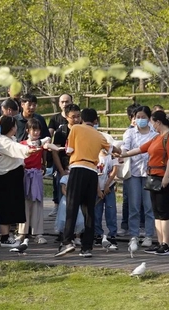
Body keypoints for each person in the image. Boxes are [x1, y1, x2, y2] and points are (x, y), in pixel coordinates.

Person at [55, 108, 119, 258]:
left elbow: (69, 150)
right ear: (95, 121)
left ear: (81, 119)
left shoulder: (76, 128)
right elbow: (114, 149)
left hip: (77, 169)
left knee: (72, 206)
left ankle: (67, 242)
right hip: (92, 172)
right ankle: (86, 248)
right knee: (89, 210)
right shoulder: (99, 135)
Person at [0, 116, 54, 247]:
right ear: (12, 127)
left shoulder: (11, 139)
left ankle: (9, 234)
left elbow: (19, 149)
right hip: (6, 177)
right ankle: (5, 237)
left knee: (14, 206)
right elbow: (18, 149)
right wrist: (30, 149)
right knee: (6, 207)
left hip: (15, 175)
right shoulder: (2, 141)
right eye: (15, 125)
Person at [120, 111, 169, 256]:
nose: (152, 125)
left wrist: (166, 176)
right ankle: (160, 242)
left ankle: (166, 244)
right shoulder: (157, 137)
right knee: (157, 211)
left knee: (164, 211)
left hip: (162, 176)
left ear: (158, 122)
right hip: (152, 176)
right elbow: (140, 149)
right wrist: (122, 153)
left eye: (153, 122)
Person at [122, 106, 157, 249]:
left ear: (149, 118)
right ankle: (134, 235)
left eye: (143, 117)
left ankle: (149, 235)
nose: (140, 120)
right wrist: (123, 153)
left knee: (149, 206)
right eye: (138, 117)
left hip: (150, 173)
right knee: (134, 206)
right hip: (134, 173)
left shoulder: (155, 134)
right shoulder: (130, 132)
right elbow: (125, 148)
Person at [51, 104, 81, 217]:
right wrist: (61, 170)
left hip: (80, 169)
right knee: (63, 198)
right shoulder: (61, 132)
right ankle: (63, 228)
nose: (77, 119)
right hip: (64, 169)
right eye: (73, 117)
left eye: (78, 116)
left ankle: (79, 230)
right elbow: (55, 152)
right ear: (67, 117)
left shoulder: (84, 130)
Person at [118, 103, 141, 236]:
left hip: (141, 170)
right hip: (128, 170)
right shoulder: (128, 132)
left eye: (138, 117)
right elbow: (124, 149)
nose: (135, 120)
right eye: (133, 117)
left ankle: (141, 225)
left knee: (142, 201)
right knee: (127, 198)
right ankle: (125, 225)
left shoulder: (147, 132)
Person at [94, 144, 119, 249]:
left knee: (111, 210)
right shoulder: (94, 157)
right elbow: (93, 172)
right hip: (97, 188)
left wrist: (108, 184)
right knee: (97, 211)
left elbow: (114, 171)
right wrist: (98, 190)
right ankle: (98, 234)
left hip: (109, 188)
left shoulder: (112, 156)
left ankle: (112, 234)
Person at [55, 174, 84, 244]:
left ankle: (78, 237)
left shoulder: (79, 178)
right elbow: (63, 189)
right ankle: (66, 237)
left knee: (80, 219)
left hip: (77, 200)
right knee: (64, 219)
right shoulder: (65, 178)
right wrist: (69, 197)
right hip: (66, 200)